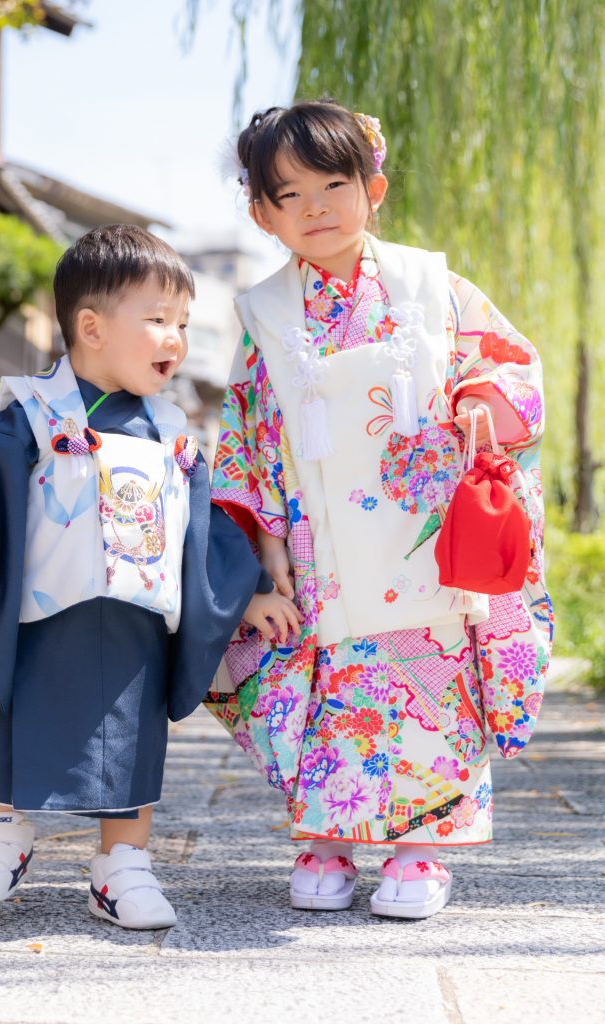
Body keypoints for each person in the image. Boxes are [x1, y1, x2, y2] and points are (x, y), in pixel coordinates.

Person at [206, 99, 553, 919]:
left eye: (334, 184)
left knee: (431, 677)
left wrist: (478, 398)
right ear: (261, 214)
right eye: (289, 195)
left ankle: (420, 847)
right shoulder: (264, 315)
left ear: (374, 189)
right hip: (314, 538)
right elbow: (246, 438)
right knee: (327, 680)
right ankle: (326, 838)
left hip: (423, 534)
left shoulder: (435, 288)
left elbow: (509, 364)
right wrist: (263, 560)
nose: (316, 207)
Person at [0, 224, 299, 930]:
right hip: (40, 612)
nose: (175, 338)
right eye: (157, 320)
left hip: (134, 619)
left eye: (182, 322)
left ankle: (122, 865)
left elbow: (203, 527)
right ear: (90, 327)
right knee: (8, 715)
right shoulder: (32, 414)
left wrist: (246, 594)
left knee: (132, 739)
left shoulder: (172, 431)